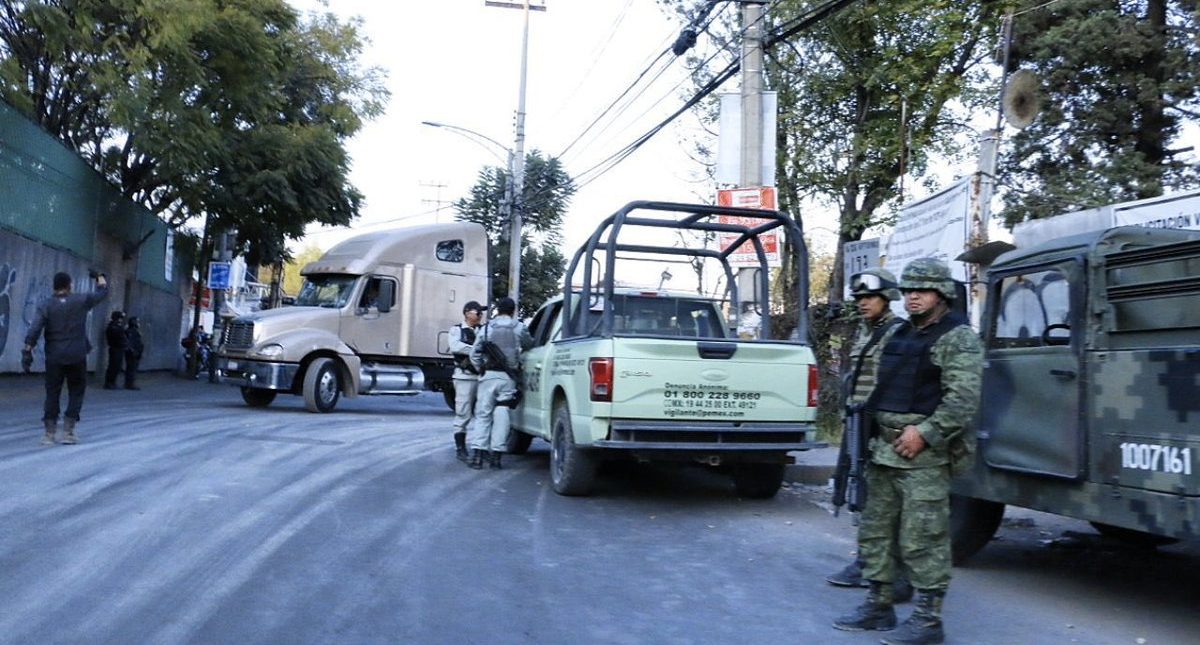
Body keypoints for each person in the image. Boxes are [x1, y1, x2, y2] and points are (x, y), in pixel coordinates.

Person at [832, 258, 983, 645]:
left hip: (923, 457)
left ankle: (928, 621)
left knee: (923, 538)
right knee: (876, 532)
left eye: (923, 290)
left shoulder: (957, 337)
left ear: (942, 294)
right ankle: (879, 605)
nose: (913, 296)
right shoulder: (901, 335)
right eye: (909, 290)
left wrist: (927, 433)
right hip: (884, 449)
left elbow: (963, 400)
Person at [827, 268, 912, 602]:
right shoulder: (866, 331)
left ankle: (899, 574)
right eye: (859, 298)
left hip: (884, 428)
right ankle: (867, 562)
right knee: (861, 492)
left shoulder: (898, 333)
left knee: (891, 503)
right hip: (860, 423)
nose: (863, 303)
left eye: (870, 297)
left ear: (887, 298)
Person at [23, 271, 109, 445]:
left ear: (54, 286)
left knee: (52, 392)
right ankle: (68, 432)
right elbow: (103, 294)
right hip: (76, 355)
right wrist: (100, 277)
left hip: (54, 356)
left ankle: (49, 433)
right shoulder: (80, 301)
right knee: (76, 390)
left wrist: (27, 350)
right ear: (69, 285)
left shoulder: (46, 305)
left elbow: (35, 328)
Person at [467, 297, 533, 470]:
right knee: (502, 414)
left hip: (488, 376)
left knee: (483, 414)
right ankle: (496, 457)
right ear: (512, 311)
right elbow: (529, 344)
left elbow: (474, 353)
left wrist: (480, 368)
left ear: (498, 310)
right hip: (508, 377)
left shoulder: (487, 328)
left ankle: (478, 456)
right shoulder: (519, 327)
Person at [448, 300, 485, 461]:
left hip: (482, 376)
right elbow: (456, 346)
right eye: (477, 312)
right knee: (463, 413)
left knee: (483, 414)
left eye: (481, 313)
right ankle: (460, 447)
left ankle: (480, 447)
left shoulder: (483, 330)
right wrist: (475, 350)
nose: (480, 316)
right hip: (464, 377)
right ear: (467, 313)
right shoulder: (457, 330)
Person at [104, 310, 126, 389]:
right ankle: (109, 383)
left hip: (118, 348)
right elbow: (118, 337)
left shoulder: (116, 326)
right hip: (115, 348)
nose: (121, 320)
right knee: (113, 366)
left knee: (116, 366)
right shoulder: (113, 327)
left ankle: (112, 382)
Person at [124, 316, 144, 390]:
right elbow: (129, 342)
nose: (138, 323)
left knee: (133, 368)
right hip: (132, 353)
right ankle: (129, 384)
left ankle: (130, 383)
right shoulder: (130, 331)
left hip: (136, 352)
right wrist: (132, 351)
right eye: (137, 322)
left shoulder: (135, 330)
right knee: (131, 368)